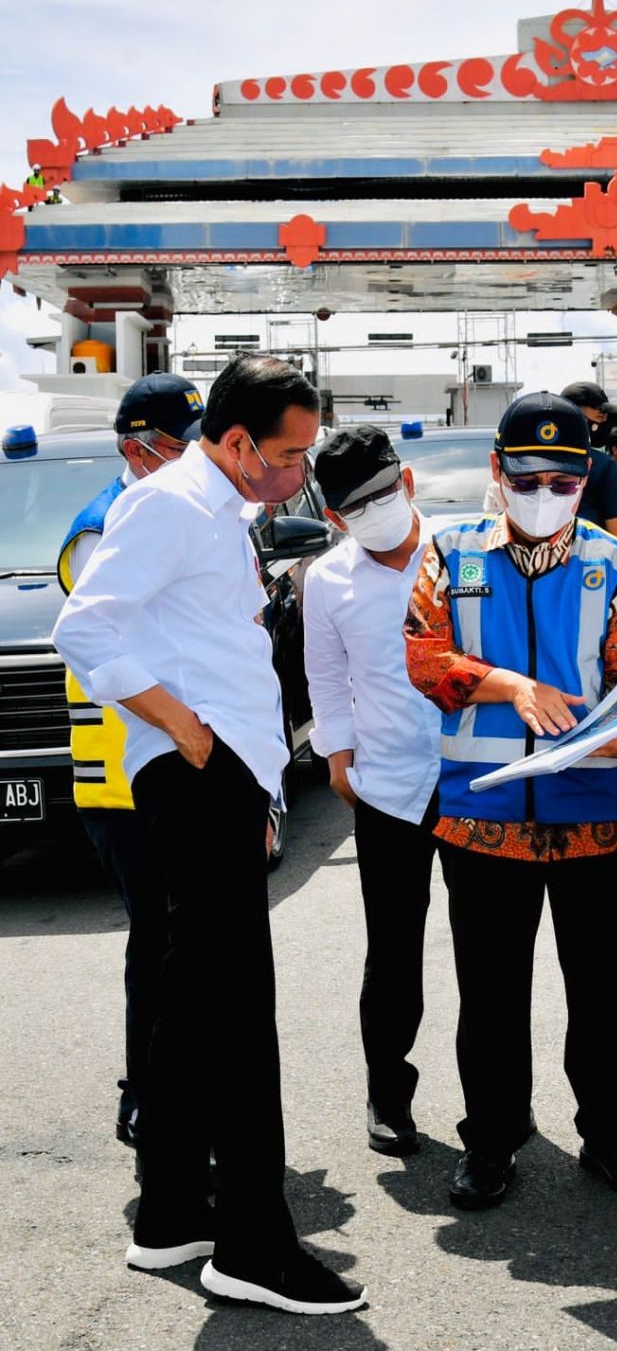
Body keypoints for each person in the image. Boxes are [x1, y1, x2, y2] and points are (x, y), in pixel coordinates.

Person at [53, 356, 367, 1316]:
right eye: (289, 454)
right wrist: (184, 725)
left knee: (190, 1001)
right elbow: (85, 628)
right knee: (237, 1012)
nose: (298, 473)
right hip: (200, 773)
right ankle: (254, 1247)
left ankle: (172, 1212)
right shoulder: (170, 504)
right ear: (236, 443)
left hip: (226, 774)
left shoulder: (219, 508)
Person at [404, 391, 617, 1209]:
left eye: (565, 477)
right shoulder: (450, 554)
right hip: (483, 820)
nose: (546, 491)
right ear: (498, 471)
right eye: (528, 475)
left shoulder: (613, 562)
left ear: (588, 478)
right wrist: (509, 685)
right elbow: (423, 659)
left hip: (596, 815)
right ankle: (491, 1135)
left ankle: (609, 1129)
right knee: (489, 989)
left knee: (598, 987)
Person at [56, 373, 205, 1153]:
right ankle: (146, 1098)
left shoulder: (178, 507)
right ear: (134, 448)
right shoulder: (102, 525)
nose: (193, 459)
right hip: (124, 777)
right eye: (179, 446)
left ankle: (177, 1095)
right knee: (158, 942)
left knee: (185, 943)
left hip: (176, 763)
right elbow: (116, 646)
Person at [304, 426, 442, 1154]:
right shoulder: (327, 579)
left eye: (388, 491)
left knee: (490, 950)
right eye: (360, 506)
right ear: (335, 518)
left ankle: (496, 1106)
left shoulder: (461, 549)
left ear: (409, 479)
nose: (380, 510)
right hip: (386, 783)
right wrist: (337, 756)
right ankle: (387, 1091)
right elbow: (325, 677)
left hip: (472, 777)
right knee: (392, 949)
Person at [559, 381, 617, 540]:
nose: (604, 420)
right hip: (590, 560)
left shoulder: (536, 463)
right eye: (600, 415)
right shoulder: (603, 465)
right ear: (574, 414)